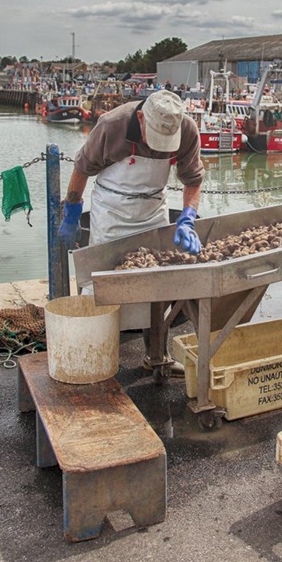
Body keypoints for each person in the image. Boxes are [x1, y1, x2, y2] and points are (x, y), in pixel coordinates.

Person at [59, 90, 205, 370]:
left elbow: (193, 180)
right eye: (155, 138)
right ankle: (94, 358)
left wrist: (188, 218)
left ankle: (157, 358)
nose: (161, 148)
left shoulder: (186, 129)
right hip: (111, 209)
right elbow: (82, 169)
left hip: (152, 209)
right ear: (140, 118)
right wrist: (72, 213)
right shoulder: (111, 125)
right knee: (101, 284)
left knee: (155, 285)